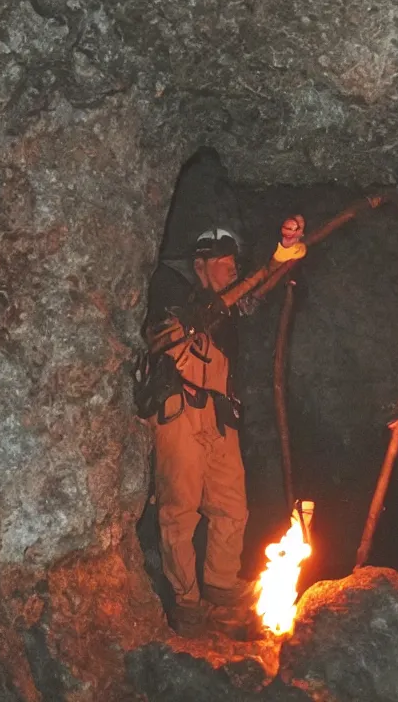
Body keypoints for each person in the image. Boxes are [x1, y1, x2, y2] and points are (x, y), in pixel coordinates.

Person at [141, 227, 254, 636]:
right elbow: (163, 339)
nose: (232, 270)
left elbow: (260, 293)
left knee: (231, 506)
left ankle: (222, 588)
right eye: (224, 264)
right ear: (201, 265)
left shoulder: (231, 310)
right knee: (179, 513)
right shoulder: (169, 294)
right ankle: (187, 602)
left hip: (219, 415)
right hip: (179, 414)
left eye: (233, 264)